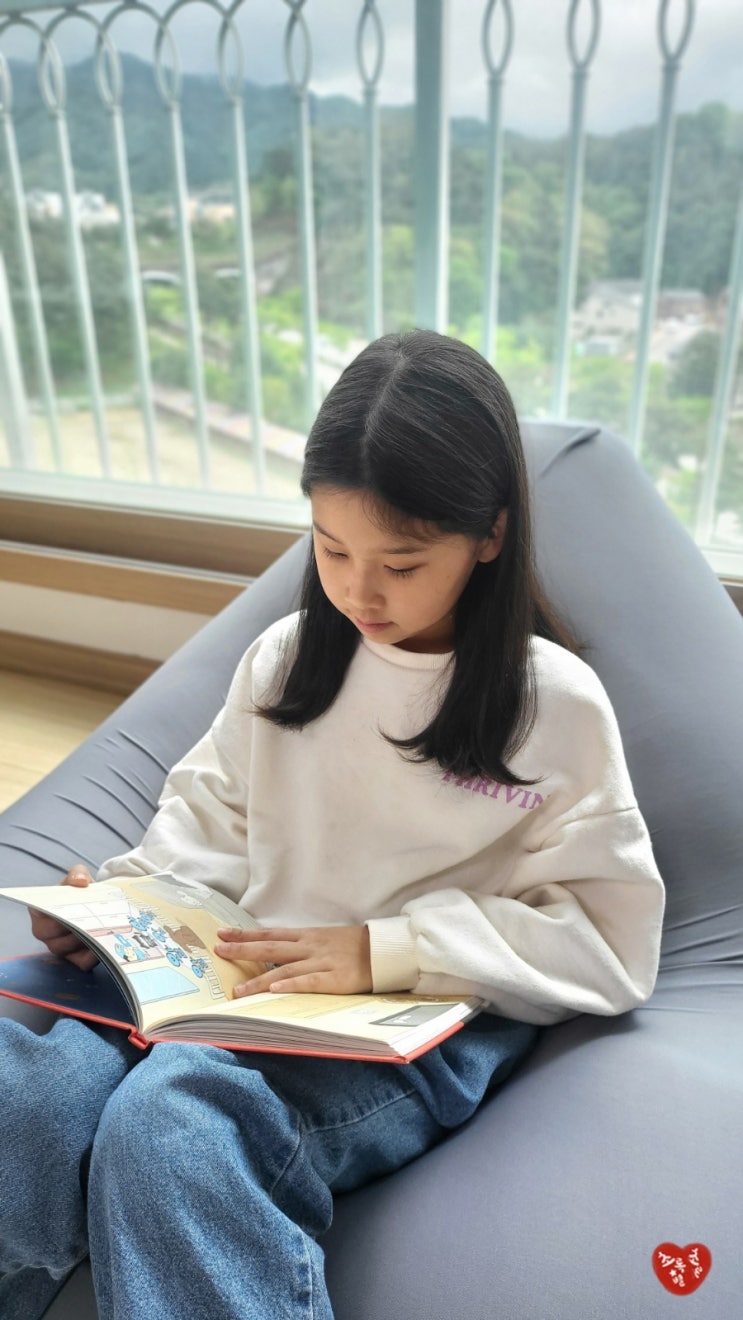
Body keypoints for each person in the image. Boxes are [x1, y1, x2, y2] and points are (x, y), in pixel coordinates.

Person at [0, 330, 665, 1320]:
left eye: (401, 561)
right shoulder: (285, 660)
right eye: (331, 548)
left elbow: (609, 941)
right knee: (22, 1097)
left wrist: (380, 950)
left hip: (411, 1028)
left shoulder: (550, 705)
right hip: (237, 980)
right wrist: (117, 910)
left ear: (488, 534)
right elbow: (206, 824)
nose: (359, 591)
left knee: (175, 1121)